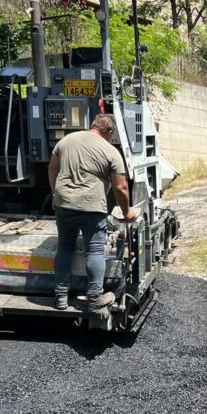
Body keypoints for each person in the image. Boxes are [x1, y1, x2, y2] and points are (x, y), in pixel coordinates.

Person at [48, 113, 138, 311]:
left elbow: (52, 169)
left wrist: (56, 194)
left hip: (64, 204)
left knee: (64, 247)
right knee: (95, 250)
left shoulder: (66, 141)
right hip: (92, 207)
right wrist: (127, 212)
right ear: (110, 132)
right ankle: (94, 298)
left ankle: (61, 297)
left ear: (93, 126)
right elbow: (121, 188)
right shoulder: (111, 151)